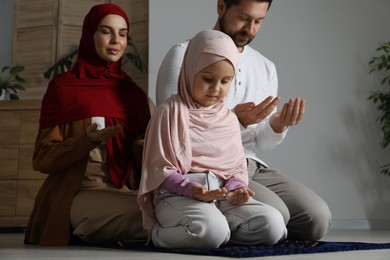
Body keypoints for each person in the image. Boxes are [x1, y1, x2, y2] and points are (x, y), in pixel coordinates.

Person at [155, 0, 331, 241]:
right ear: (221, 7)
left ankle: (248, 227)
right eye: (244, 18)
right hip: (206, 166)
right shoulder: (184, 54)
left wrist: (277, 126)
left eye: (258, 21)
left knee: (317, 219)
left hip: (249, 164)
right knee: (278, 214)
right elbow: (172, 133)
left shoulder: (265, 67)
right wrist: (235, 121)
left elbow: (262, 144)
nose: (250, 28)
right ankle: (216, 227)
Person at [138, 29, 287, 249]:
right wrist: (191, 189)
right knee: (211, 231)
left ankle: (217, 231)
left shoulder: (227, 117)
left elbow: (237, 167)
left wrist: (237, 189)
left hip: (222, 196)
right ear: (190, 72)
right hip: (178, 194)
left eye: (225, 81)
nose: (216, 89)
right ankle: (159, 234)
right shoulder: (169, 112)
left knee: (274, 225)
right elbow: (159, 169)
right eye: (208, 79)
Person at [24, 3, 150, 246]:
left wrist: (143, 146)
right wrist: (87, 141)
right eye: (106, 31)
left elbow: (143, 161)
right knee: (147, 217)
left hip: (127, 190)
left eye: (122, 34)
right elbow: (42, 158)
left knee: (172, 211)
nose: (116, 40)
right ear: (89, 34)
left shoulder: (132, 94)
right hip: (79, 190)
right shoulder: (63, 89)